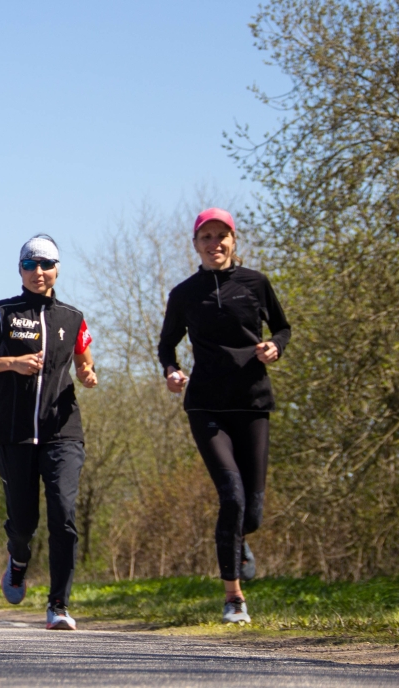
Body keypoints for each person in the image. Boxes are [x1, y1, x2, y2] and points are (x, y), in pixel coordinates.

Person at [158, 208, 290, 625]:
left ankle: (236, 539)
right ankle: (234, 597)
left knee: (251, 512)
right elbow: (167, 345)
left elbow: (283, 328)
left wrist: (276, 347)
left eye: (221, 236)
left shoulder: (256, 283)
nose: (214, 244)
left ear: (234, 240)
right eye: (206, 238)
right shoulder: (184, 293)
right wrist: (172, 371)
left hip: (252, 404)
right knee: (231, 495)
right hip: (206, 405)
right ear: (195, 245)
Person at [0, 234, 97, 631]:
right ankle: (18, 560)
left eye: (46, 264)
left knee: (64, 515)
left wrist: (87, 374)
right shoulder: (2, 312)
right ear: (19, 270)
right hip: (15, 433)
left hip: (63, 432)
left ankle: (59, 604)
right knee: (23, 523)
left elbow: (84, 359)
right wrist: (11, 363)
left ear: (57, 269)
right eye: (30, 265)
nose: (39, 272)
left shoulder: (73, 317)